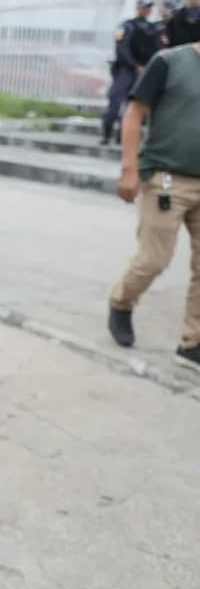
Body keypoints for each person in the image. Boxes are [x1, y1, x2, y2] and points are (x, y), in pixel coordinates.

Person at [105, 40, 200, 371]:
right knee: (153, 260)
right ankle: (121, 301)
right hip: (166, 178)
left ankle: (193, 341)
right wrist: (129, 168)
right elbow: (135, 113)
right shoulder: (170, 62)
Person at [101, 0, 162, 145]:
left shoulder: (153, 28)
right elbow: (121, 48)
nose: (146, 10)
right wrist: (134, 65)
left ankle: (122, 138)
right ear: (138, 8)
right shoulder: (126, 26)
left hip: (143, 71)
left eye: (148, 8)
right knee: (115, 103)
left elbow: (158, 48)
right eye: (144, 7)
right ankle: (106, 135)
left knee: (134, 107)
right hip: (126, 69)